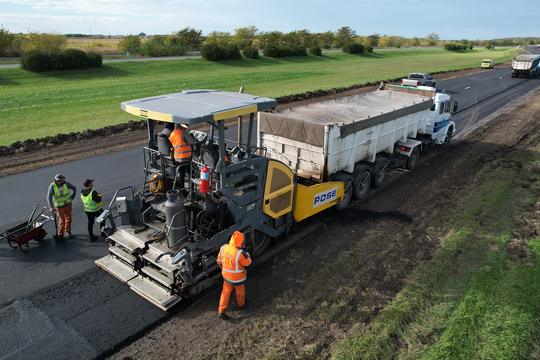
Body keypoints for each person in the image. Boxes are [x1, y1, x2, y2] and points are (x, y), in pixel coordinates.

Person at [216, 231, 252, 320]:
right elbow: (248, 262)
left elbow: (219, 261)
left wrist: (223, 268)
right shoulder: (240, 253)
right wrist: (245, 251)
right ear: (241, 242)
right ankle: (241, 304)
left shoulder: (223, 248)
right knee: (240, 291)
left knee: (225, 292)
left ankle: (221, 311)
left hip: (226, 277)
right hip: (238, 278)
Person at [47, 174, 76, 241]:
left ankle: (68, 231)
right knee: (62, 220)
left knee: (68, 218)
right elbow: (49, 197)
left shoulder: (66, 184)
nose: (64, 180)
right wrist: (51, 207)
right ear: (59, 180)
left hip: (68, 205)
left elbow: (74, 188)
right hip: (59, 207)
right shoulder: (52, 186)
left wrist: (72, 197)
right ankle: (60, 234)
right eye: (63, 179)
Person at [169, 123, 196, 189]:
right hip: (185, 158)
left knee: (181, 174)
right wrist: (192, 136)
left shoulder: (172, 134)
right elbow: (192, 142)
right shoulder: (183, 133)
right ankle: (191, 189)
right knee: (191, 174)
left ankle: (182, 189)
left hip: (177, 158)